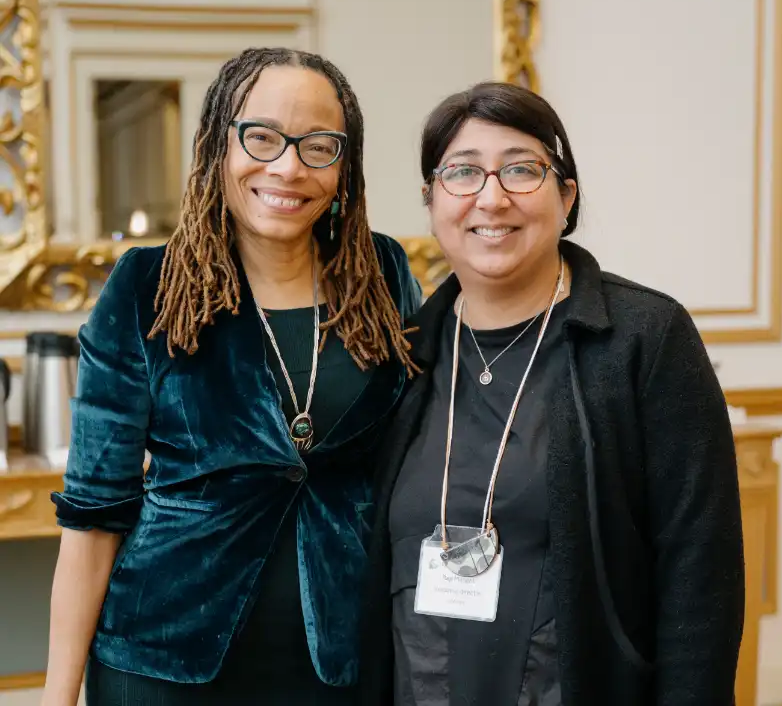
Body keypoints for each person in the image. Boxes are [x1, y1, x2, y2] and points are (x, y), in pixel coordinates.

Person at [42, 47, 421, 706]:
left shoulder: (382, 277)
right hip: (162, 665)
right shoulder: (147, 287)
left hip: (342, 662)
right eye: (262, 137)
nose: (288, 167)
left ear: (345, 165)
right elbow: (93, 518)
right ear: (219, 144)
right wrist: (57, 696)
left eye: (318, 146)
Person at [359, 82, 745, 706]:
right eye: (462, 172)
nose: (491, 197)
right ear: (431, 201)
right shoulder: (400, 353)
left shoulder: (645, 338)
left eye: (521, 170)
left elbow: (700, 572)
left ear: (566, 198)